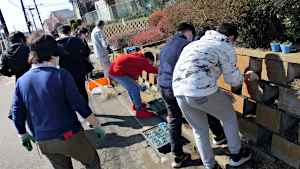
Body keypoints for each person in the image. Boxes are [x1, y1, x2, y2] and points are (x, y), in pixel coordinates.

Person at [172, 21, 259, 169]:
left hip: (179, 91)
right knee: (229, 116)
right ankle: (236, 156)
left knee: (199, 130)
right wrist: (248, 76)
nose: (234, 44)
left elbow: (198, 73)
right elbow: (233, 80)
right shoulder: (225, 45)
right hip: (200, 90)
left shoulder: (195, 44)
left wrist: (219, 93)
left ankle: (210, 166)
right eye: (235, 41)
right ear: (231, 37)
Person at [12, 33, 105, 169]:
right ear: (52, 55)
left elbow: (17, 112)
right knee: (92, 162)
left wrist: (22, 134)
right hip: (69, 135)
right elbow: (78, 103)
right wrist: (96, 124)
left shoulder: (21, 81)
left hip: (43, 141)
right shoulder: (61, 74)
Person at [158, 22, 227, 168]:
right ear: (189, 33)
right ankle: (219, 136)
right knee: (205, 105)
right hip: (178, 87)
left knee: (174, 121)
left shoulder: (166, 45)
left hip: (163, 86)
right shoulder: (186, 45)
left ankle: (177, 156)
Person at [0, 31, 34, 135]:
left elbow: (2, 70)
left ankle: (35, 135)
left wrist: (13, 73)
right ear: (22, 40)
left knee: (26, 110)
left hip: (19, 82)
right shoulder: (27, 49)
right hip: (33, 78)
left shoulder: (5, 54)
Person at [109, 49, 158, 118]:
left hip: (115, 71)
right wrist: (162, 71)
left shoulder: (136, 58)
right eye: (150, 62)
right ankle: (139, 111)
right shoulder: (142, 59)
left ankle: (135, 104)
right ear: (148, 59)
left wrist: (136, 84)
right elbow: (151, 69)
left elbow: (131, 77)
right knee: (134, 90)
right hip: (117, 72)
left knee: (131, 87)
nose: (150, 64)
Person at [56, 25, 93, 104]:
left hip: (65, 72)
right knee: (82, 89)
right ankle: (86, 109)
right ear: (70, 32)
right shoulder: (76, 40)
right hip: (79, 70)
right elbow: (86, 53)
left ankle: (76, 108)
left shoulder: (55, 44)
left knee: (71, 91)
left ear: (59, 33)